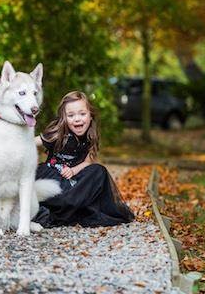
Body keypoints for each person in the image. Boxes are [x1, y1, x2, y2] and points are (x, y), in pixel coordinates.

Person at [34, 91, 134, 227]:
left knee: (99, 171)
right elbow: (33, 142)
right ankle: (53, 212)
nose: (77, 119)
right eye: (71, 115)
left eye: (82, 114)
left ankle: (66, 210)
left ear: (90, 115)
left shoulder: (90, 136)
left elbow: (88, 161)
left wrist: (74, 170)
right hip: (54, 177)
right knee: (53, 188)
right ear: (64, 118)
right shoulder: (59, 133)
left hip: (75, 181)